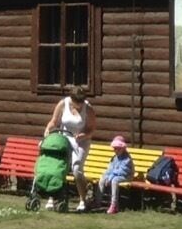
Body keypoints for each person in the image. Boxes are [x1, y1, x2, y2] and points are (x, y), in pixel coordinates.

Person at [44, 84, 95, 212]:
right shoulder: (63, 104)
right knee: (58, 166)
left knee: (77, 169)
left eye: (81, 102)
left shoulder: (88, 108)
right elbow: (54, 121)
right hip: (65, 138)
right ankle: (53, 197)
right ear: (71, 99)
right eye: (77, 102)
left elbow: (91, 130)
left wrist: (83, 135)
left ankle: (83, 200)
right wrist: (48, 129)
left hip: (81, 141)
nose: (79, 105)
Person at [96, 134, 134, 215]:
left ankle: (114, 205)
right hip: (114, 175)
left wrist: (112, 176)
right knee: (103, 178)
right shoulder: (114, 158)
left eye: (118, 149)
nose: (116, 150)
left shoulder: (127, 158)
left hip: (126, 176)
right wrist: (107, 176)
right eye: (115, 149)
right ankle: (97, 202)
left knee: (114, 181)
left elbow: (123, 171)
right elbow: (110, 168)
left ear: (123, 148)